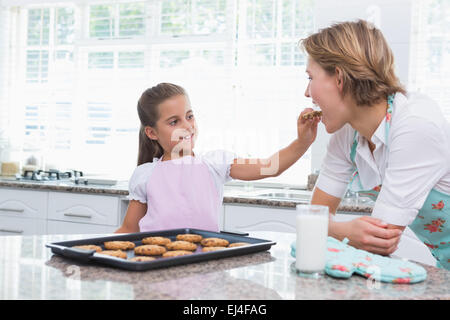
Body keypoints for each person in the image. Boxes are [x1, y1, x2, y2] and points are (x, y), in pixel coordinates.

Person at [300, 20, 450, 269]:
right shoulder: (348, 134)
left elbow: (380, 239)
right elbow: (314, 214)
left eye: (310, 78)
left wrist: (333, 229)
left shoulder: (415, 124)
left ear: (339, 78)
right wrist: (343, 229)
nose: (307, 93)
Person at [116, 83, 320, 233]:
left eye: (189, 116)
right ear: (152, 133)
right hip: (155, 269)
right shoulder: (145, 175)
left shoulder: (215, 163)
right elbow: (129, 229)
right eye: (173, 122)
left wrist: (303, 142)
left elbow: (269, 166)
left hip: (203, 265)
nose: (187, 126)